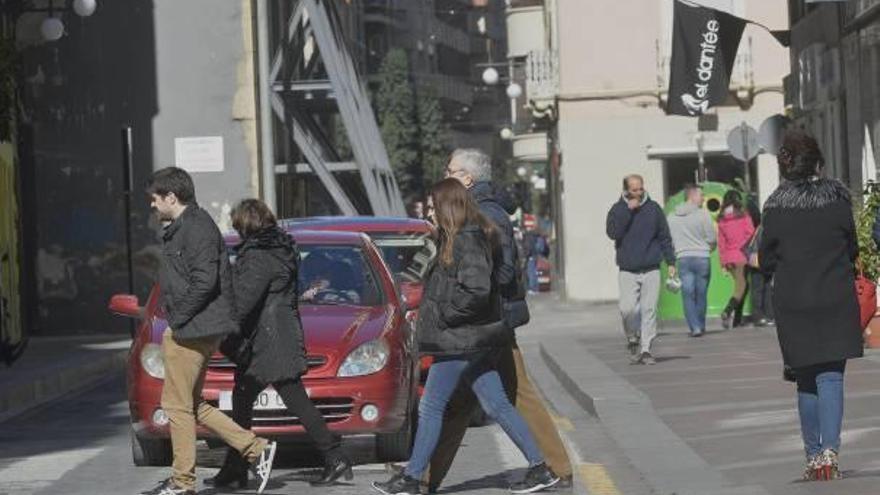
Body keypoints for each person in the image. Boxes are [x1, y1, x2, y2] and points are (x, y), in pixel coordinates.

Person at [372, 179, 559, 495]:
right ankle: (540, 469)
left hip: (459, 339)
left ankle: (412, 480)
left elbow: (477, 289)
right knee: (498, 404)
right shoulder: (457, 237)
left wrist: (447, 315)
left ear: (447, 206)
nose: (429, 211)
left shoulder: (466, 239)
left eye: (433, 205)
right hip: (470, 339)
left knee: (431, 407)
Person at [415, 149, 572, 492]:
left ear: (467, 178)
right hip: (483, 324)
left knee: (513, 396)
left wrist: (473, 303)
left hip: (486, 324)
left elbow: (497, 272)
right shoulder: (474, 210)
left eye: (451, 169)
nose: (446, 172)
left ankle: (555, 468)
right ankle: (421, 476)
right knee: (460, 403)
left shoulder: (485, 214)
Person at [145, 167, 276, 495]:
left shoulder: (197, 228)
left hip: (192, 329)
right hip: (195, 326)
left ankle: (182, 482)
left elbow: (205, 281)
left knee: (176, 406)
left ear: (171, 197)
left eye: (155, 199)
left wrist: (177, 319)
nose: (152, 205)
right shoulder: (184, 227)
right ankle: (256, 448)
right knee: (191, 404)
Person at [208, 199, 353, 489]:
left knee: (294, 400)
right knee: (244, 398)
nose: (236, 232)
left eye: (238, 226)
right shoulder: (280, 248)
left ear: (246, 226)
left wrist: (216, 317)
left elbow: (244, 302)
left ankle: (335, 458)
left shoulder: (260, 256)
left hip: (269, 341)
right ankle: (235, 467)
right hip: (272, 336)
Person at [759, 131, 862, 481]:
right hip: (835, 297)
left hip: (794, 301)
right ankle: (831, 454)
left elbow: (766, 259)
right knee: (831, 377)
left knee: (805, 379)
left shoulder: (774, 206)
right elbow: (851, 246)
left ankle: (813, 457)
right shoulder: (837, 200)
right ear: (818, 164)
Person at [606, 174, 676, 364]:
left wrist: (671, 262)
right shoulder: (617, 209)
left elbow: (664, 237)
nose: (638, 192)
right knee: (626, 309)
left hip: (651, 266)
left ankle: (646, 349)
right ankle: (632, 337)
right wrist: (627, 212)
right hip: (628, 268)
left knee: (649, 309)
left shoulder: (654, 209)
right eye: (634, 189)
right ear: (626, 190)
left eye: (640, 188)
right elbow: (613, 233)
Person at [667, 184, 716, 337]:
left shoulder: (671, 216)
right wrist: (709, 248)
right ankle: (701, 325)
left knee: (688, 294)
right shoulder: (704, 215)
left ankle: (694, 327)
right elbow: (712, 238)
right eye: (701, 195)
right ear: (692, 196)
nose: (703, 198)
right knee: (701, 294)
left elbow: (669, 240)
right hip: (702, 258)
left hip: (683, 258)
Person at [717, 190, 755, 329]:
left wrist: (722, 262)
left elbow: (721, 243)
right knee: (741, 287)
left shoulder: (721, 219)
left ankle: (737, 321)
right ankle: (727, 311)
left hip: (729, 258)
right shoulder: (744, 216)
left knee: (743, 286)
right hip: (742, 256)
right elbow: (751, 234)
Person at [746, 226, 774, 327]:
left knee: (758, 289)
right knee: (766, 289)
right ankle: (767, 316)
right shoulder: (767, 228)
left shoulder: (761, 227)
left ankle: (760, 317)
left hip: (758, 260)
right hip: (764, 260)